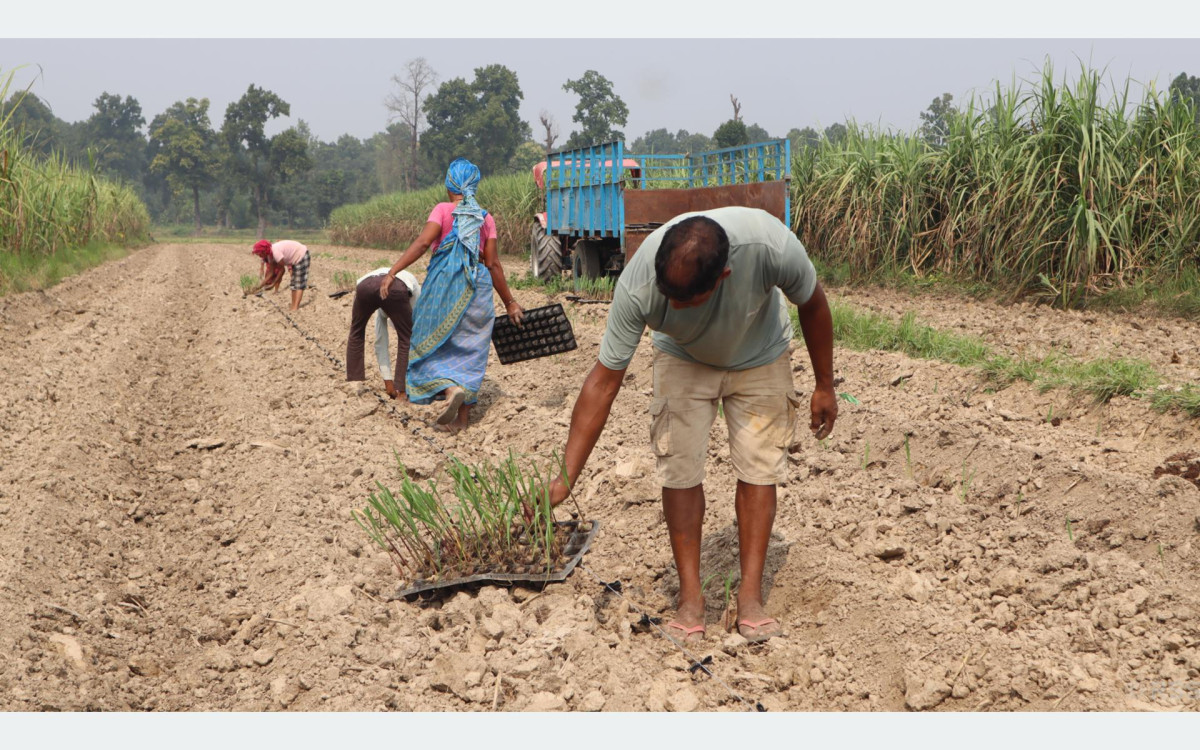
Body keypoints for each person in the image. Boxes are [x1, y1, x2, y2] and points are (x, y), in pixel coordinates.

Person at [546, 207, 838, 644]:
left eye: (685, 301)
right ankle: (690, 598)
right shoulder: (641, 282)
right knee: (679, 465)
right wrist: (564, 480)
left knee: (759, 467)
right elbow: (603, 383)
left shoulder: (769, 247)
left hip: (759, 353)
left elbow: (813, 303)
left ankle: (751, 597)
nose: (674, 306)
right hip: (682, 359)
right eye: (670, 296)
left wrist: (824, 383)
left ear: (723, 277)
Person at [378, 158, 525, 433]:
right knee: (471, 351)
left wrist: (393, 271)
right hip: (478, 288)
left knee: (426, 341)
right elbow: (492, 263)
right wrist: (510, 302)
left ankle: (449, 390)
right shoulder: (485, 217)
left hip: (445, 287)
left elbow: (423, 243)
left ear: (450, 185)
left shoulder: (444, 210)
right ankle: (461, 420)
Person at [346, 267, 421, 400]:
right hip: (395, 288)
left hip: (365, 286)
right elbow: (415, 331)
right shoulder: (417, 300)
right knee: (407, 338)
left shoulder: (387, 306)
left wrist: (388, 382)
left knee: (356, 332)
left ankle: (354, 383)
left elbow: (380, 340)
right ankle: (402, 392)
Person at [247, 239, 310, 310]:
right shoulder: (269, 255)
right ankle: (293, 306)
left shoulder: (275, 253)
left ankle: (295, 307)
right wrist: (259, 286)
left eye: (259, 253)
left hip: (301, 255)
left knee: (298, 284)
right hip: (294, 259)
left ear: (264, 251)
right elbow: (271, 272)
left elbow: (282, 270)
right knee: (293, 285)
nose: (259, 256)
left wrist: (273, 284)